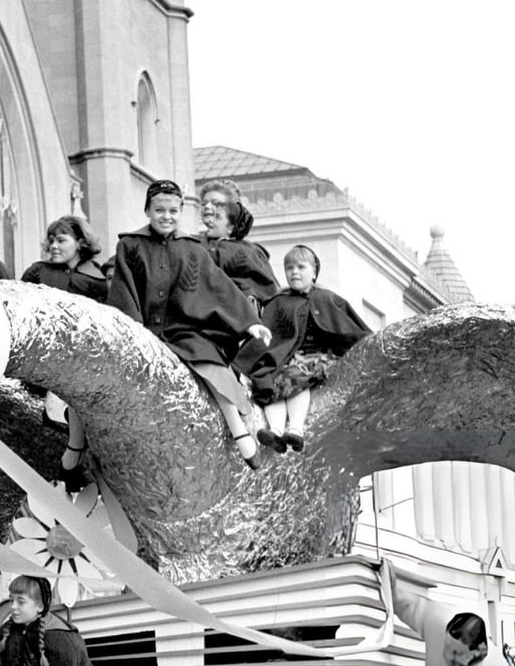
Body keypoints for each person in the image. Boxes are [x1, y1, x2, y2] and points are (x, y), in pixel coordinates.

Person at [107, 179, 273, 468]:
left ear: (181, 212)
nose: (166, 217)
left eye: (173, 211)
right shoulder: (130, 246)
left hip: (181, 331)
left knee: (213, 365)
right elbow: (124, 292)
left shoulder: (192, 248)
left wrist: (249, 322)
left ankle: (241, 434)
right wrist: (134, 333)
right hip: (142, 330)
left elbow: (218, 287)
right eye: (159, 210)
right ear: (147, 210)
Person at [250, 244, 371, 454]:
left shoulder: (327, 298)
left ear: (314, 272)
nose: (294, 272)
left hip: (320, 356)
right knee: (269, 378)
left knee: (296, 376)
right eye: (289, 268)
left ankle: (295, 429)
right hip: (285, 357)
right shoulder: (278, 302)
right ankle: (275, 431)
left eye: (301, 267)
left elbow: (353, 331)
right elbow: (267, 336)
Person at [22, 214, 111, 487]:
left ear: (80, 243)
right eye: (50, 240)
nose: (53, 246)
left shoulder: (97, 280)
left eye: (61, 240)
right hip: (41, 360)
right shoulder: (38, 273)